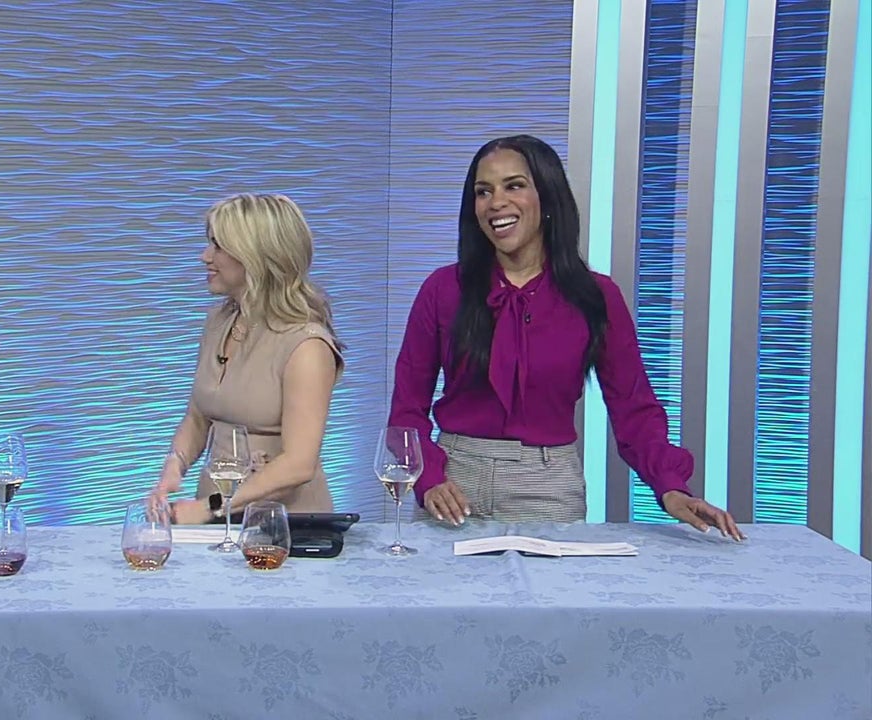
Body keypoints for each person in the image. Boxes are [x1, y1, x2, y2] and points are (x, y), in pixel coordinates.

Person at [388, 134, 743, 540]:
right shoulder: (442, 289)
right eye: (483, 192)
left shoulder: (595, 297)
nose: (496, 202)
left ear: (548, 198)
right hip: (453, 483)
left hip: (547, 487)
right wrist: (429, 478)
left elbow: (634, 409)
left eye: (514, 186)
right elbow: (406, 410)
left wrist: (671, 486)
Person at [150, 193, 344, 524]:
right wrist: (174, 465)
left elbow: (298, 464)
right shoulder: (218, 322)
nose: (205, 256)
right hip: (216, 514)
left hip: (282, 524)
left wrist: (209, 507)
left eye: (218, 246)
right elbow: (198, 417)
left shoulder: (306, 345)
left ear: (256, 256)